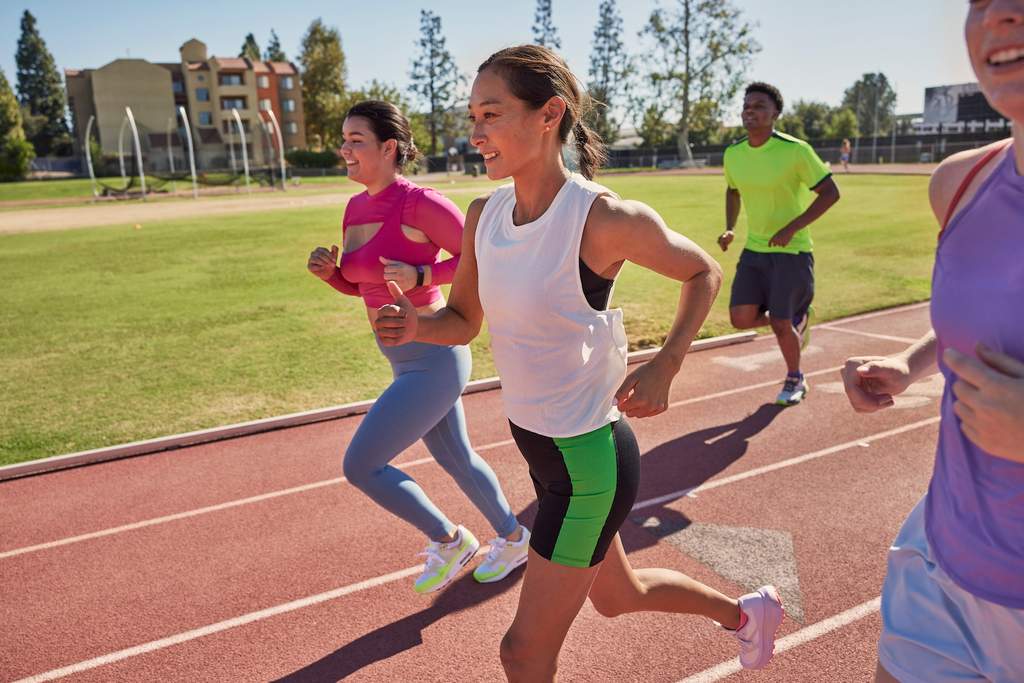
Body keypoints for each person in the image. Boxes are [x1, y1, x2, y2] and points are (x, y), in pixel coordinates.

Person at [374, 46, 784, 681]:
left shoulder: (601, 218)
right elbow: (464, 321)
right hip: (543, 451)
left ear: (549, 115)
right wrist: (416, 326)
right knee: (620, 597)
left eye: (491, 114)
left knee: (522, 652)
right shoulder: (484, 217)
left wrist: (666, 365)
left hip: (589, 460)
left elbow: (703, 270)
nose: (475, 133)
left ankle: (744, 614)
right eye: (472, 116)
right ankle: (746, 614)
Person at [840, 2, 1024, 681]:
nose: (1000, 13)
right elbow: (991, 309)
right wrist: (913, 361)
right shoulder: (961, 183)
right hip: (942, 571)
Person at [306, 100, 529, 595]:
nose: (344, 149)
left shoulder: (419, 202)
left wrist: (424, 274)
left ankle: (450, 540)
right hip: (403, 360)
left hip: (435, 355)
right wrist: (332, 276)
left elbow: (479, 257)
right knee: (458, 459)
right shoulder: (356, 206)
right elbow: (362, 285)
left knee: (361, 466)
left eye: (355, 140)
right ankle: (514, 539)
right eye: (343, 139)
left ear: (389, 148)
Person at [717, 82, 841, 406]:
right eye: (746, 105)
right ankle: (796, 323)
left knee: (781, 323)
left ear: (775, 114)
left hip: (792, 252)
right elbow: (733, 190)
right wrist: (730, 228)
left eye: (759, 105)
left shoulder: (796, 151)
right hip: (755, 250)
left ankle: (794, 378)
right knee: (740, 318)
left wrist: (791, 228)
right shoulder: (734, 153)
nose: (750, 111)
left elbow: (831, 193)